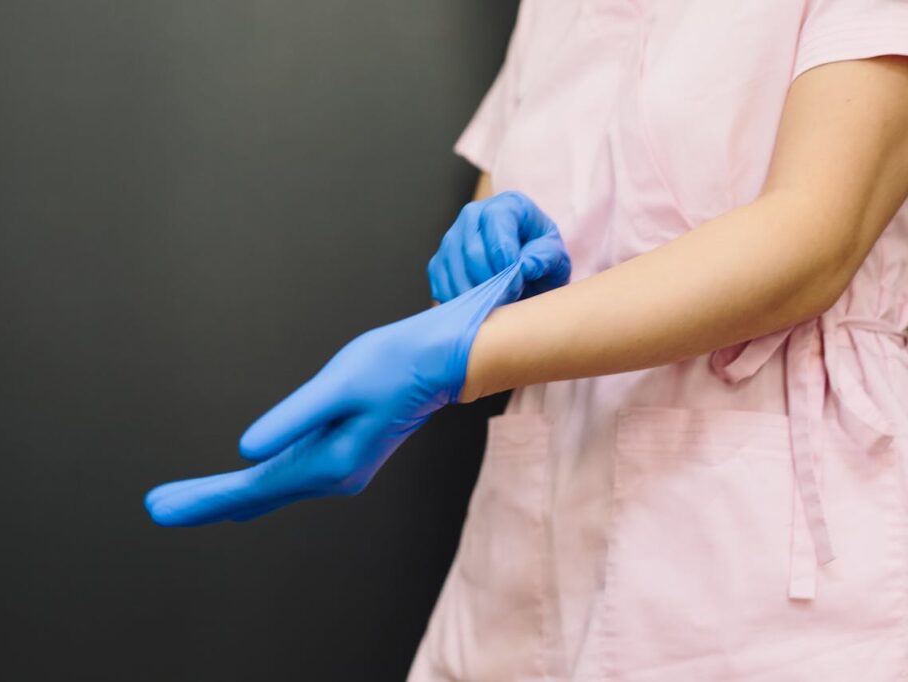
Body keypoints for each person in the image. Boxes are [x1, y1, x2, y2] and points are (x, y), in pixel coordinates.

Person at [146, 1, 908, 679]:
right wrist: (494, 269)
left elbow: (813, 238)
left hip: (777, 558)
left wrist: (461, 358)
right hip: (528, 555)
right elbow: (509, 201)